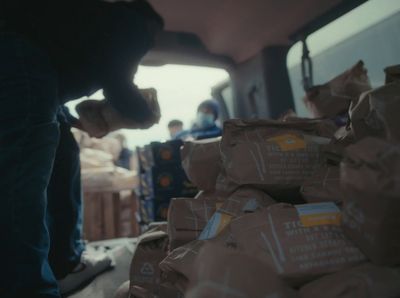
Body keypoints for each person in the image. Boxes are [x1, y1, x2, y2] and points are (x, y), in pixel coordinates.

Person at [0, 0, 164, 297]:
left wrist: (80, 122)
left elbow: (45, 101)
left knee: (64, 157)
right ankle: (28, 288)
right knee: (20, 185)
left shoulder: (83, 31)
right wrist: (147, 116)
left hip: (36, 77)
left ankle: (65, 262)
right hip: (19, 59)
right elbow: (119, 84)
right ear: (151, 29)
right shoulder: (133, 24)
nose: (146, 49)